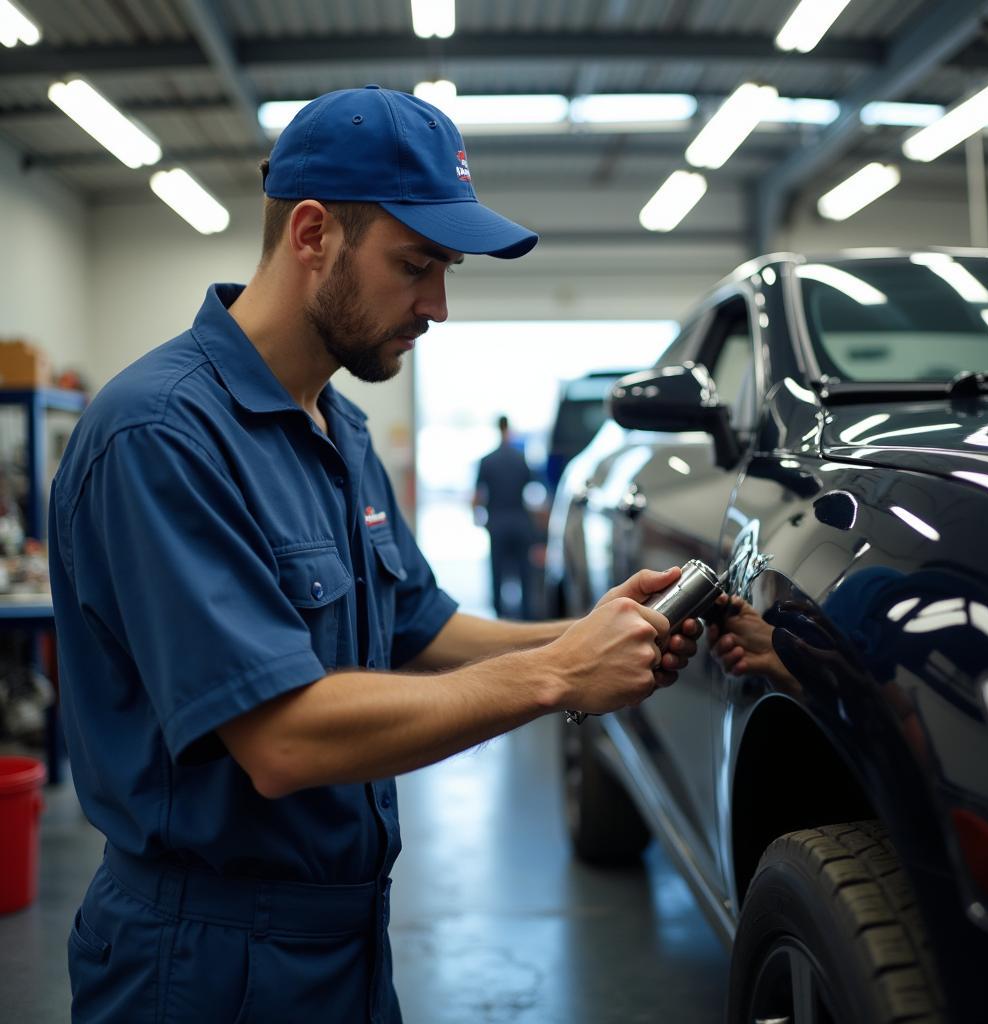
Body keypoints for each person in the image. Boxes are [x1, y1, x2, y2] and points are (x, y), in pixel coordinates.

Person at [48, 86, 704, 1024]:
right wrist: (560, 675)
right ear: (312, 233)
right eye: (415, 265)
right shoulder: (161, 434)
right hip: (202, 960)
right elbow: (281, 739)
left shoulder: (340, 425)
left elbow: (418, 625)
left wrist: (603, 631)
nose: (437, 305)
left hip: (345, 941)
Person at [473, 415, 535, 618]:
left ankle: (499, 618)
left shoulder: (487, 460)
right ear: (510, 428)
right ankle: (526, 617)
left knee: (497, 573)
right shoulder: (521, 459)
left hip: (497, 523)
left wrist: (477, 517)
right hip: (520, 522)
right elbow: (534, 492)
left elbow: (477, 496)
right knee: (524, 573)